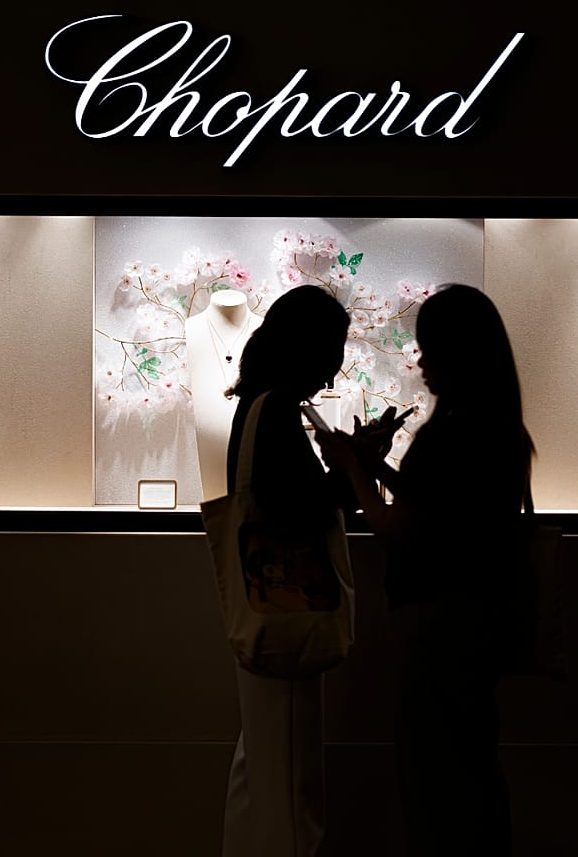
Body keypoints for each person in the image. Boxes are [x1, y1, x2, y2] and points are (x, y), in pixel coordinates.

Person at [315, 283, 535, 857]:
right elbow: (446, 512)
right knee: (472, 772)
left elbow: (397, 533)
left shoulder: (450, 435)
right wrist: (381, 467)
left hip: (436, 631)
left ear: (457, 354)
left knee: (434, 783)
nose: (421, 361)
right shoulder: (499, 429)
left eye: (430, 348)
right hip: (481, 625)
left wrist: (353, 468)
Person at [220, 283, 353, 857]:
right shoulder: (276, 409)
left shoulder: (257, 405)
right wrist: (349, 474)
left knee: (260, 772)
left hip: (263, 610)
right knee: (293, 787)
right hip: (289, 611)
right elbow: (294, 513)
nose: (333, 372)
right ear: (310, 347)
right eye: (332, 350)